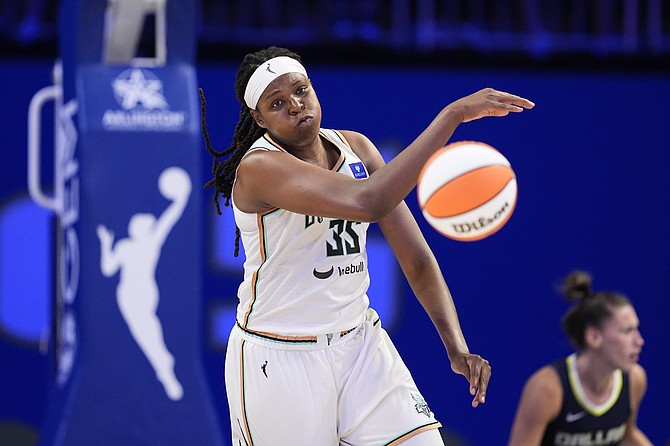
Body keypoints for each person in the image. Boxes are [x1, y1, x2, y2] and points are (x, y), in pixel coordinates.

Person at [200, 46, 533, 445]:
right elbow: (368, 201)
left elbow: (417, 259)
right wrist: (453, 116)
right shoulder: (259, 168)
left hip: (360, 345)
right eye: (277, 103)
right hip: (280, 356)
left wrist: (456, 347)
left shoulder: (355, 148)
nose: (295, 105)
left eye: (301, 90)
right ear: (259, 118)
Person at [508, 271, 652, 446]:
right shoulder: (547, 389)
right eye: (627, 331)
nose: (639, 341)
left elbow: (627, 435)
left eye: (636, 329)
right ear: (594, 338)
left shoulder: (635, 379)